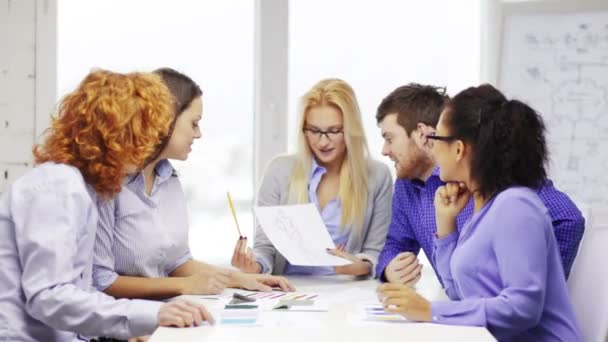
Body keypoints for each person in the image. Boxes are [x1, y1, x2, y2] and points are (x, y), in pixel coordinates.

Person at [0, 70, 213, 342]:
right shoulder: (57, 187)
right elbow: (49, 297)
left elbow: (79, 290)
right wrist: (152, 315)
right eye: (144, 136)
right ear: (115, 134)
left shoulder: (82, 188)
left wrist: (128, 330)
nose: (149, 147)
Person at [378, 84, 582, 341]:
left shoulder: (515, 206)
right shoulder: (481, 207)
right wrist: (446, 225)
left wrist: (429, 310)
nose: (432, 148)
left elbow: (522, 309)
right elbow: (459, 294)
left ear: (459, 149)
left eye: (437, 139)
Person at [92, 68, 294, 301]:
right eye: (194, 123)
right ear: (164, 120)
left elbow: (178, 263)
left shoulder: (169, 179)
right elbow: (100, 279)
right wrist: (185, 285)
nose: (198, 134)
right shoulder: (108, 184)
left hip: (165, 313)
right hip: (120, 325)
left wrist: (241, 279)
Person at [231, 78, 393, 277]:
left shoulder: (377, 176)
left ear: (351, 131)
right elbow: (265, 248)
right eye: (314, 131)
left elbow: (375, 253)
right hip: (289, 291)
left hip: (346, 293)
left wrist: (357, 265)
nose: (323, 141)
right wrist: (253, 266)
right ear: (303, 129)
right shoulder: (279, 171)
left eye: (334, 131)